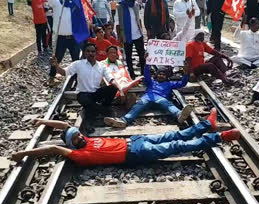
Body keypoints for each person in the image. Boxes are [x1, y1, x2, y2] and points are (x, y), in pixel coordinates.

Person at [10, 110, 241, 166]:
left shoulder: (85, 140)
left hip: (134, 143)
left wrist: (42, 122)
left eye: (78, 133)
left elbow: (65, 125)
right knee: (178, 145)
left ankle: (206, 124)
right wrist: (23, 153)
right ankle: (219, 137)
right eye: (76, 137)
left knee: (174, 134)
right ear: (72, 145)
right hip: (135, 154)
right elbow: (52, 149)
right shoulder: (79, 154)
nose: (80, 135)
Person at [50, 43, 123, 133]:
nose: (90, 53)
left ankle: (101, 108)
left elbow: (111, 79)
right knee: (86, 101)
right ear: (84, 53)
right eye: (88, 51)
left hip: (95, 94)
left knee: (112, 88)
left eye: (93, 51)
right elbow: (64, 72)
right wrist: (56, 65)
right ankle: (104, 112)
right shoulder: (78, 64)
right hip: (83, 94)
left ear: (96, 53)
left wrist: (120, 89)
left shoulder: (101, 66)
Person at [104, 62, 193, 127]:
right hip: (147, 98)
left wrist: (185, 73)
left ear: (166, 77)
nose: (161, 76)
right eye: (159, 74)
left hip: (161, 99)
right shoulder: (151, 82)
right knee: (137, 107)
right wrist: (147, 64)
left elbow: (182, 83)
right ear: (156, 75)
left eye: (163, 75)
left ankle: (179, 115)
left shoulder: (169, 84)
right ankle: (123, 120)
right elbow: (146, 75)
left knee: (168, 104)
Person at [48, 0, 81, 87]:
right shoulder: (55, 2)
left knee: (76, 58)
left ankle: (77, 79)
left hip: (73, 37)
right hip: (61, 37)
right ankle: (51, 77)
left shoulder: (73, 3)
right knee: (57, 57)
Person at [115, 0, 145, 79]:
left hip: (138, 34)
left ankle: (143, 73)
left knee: (142, 55)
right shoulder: (119, 7)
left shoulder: (135, 5)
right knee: (128, 56)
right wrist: (119, 37)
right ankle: (132, 75)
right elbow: (117, 23)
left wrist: (141, 31)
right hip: (126, 35)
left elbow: (138, 19)